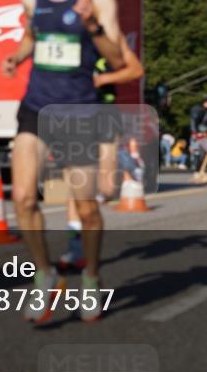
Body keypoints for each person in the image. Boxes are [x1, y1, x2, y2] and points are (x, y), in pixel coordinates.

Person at [2, 0, 125, 323]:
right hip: (36, 106)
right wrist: (17, 56)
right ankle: (45, 275)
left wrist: (91, 26)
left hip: (78, 111)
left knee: (87, 209)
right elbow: (32, 38)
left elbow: (119, 57)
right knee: (22, 197)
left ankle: (90, 277)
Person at [58, 35, 143, 274]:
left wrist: (103, 78)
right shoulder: (69, 37)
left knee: (106, 189)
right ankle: (76, 249)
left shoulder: (109, 38)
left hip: (105, 113)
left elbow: (135, 70)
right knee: (75, 185)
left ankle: (127, 164)